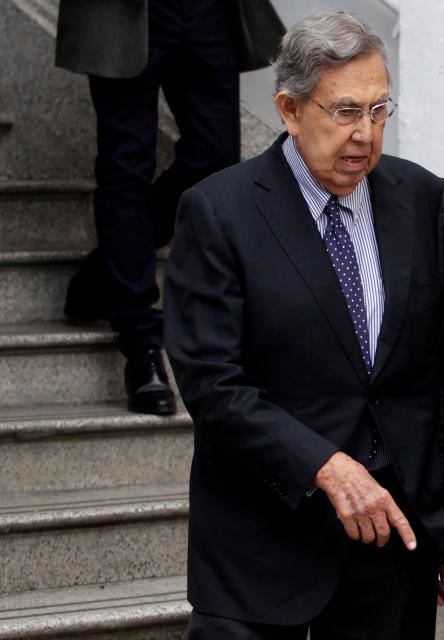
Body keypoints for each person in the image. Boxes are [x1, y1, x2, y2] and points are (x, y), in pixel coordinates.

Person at [163, 11, 444, 639]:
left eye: (378, 110)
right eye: (344, 112)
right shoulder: (218, 211)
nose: (365, 134)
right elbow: (211, 383)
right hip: (260, 549)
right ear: (289, 109)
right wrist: (326, 465)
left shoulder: (423, 200)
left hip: (389, 542)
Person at [55, 0, 285, 415]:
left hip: (206, 10)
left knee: (215, 158)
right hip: (123, 14)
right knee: (125, 166)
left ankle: (104, 273)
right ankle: (140, 344)